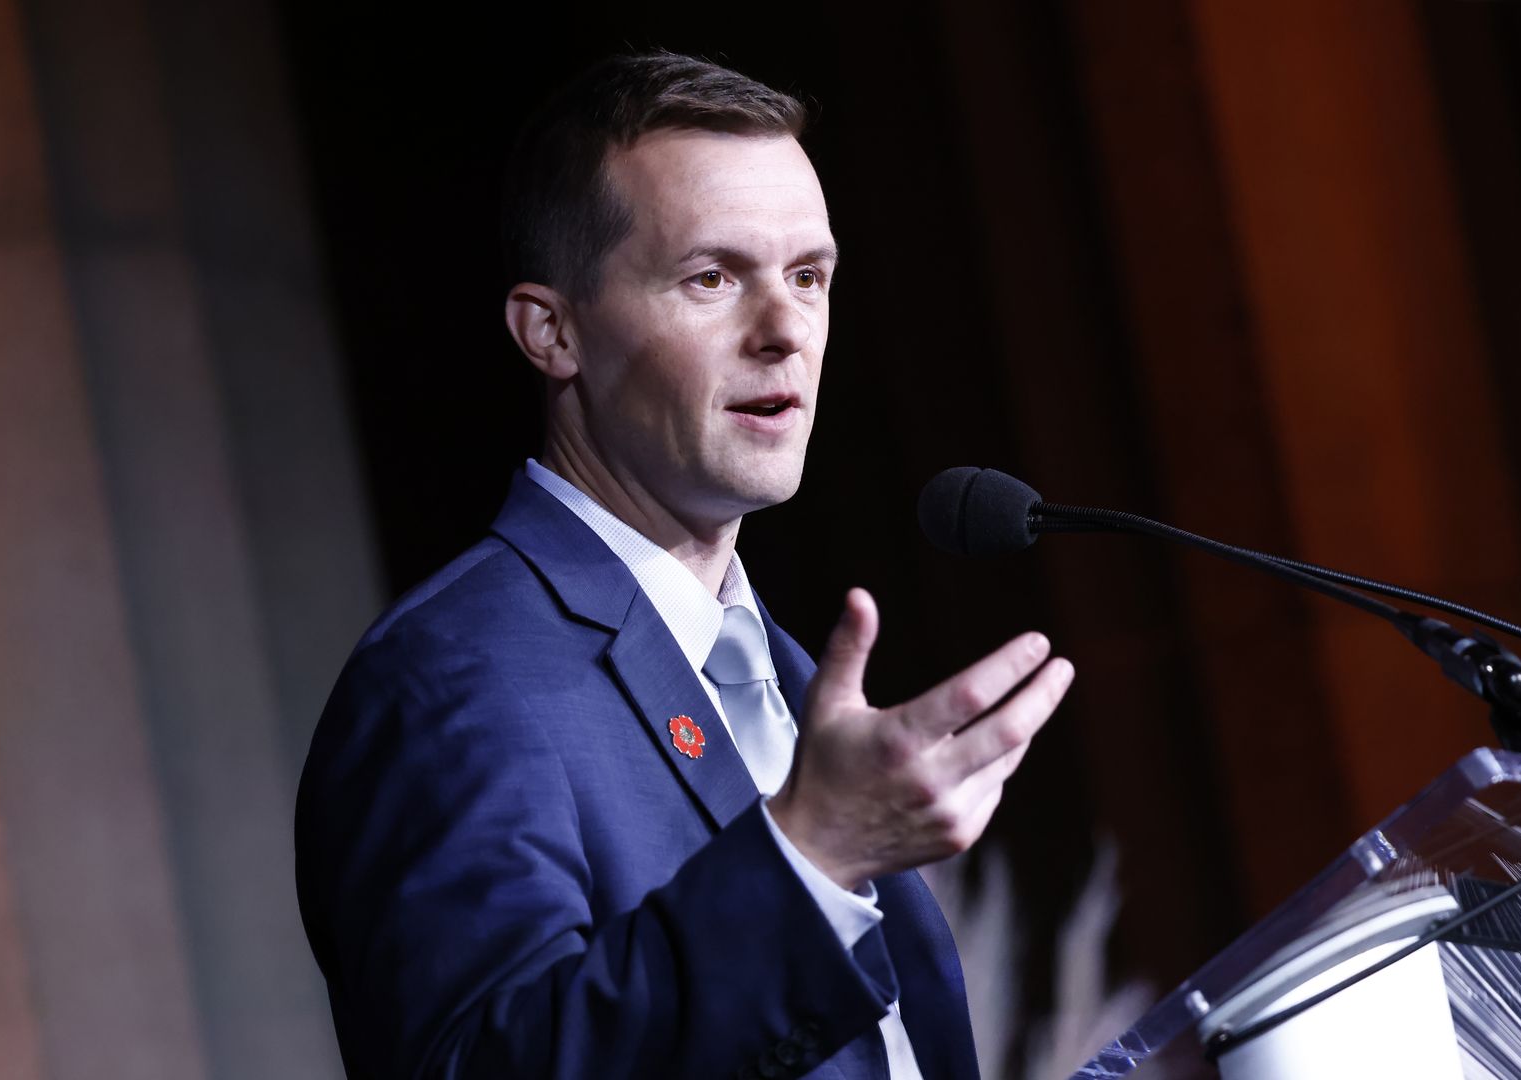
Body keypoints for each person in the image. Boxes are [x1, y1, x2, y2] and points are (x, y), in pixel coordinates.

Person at [295, 51, 1075, 1080]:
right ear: (552, 332)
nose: (784, 331)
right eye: (711, 279)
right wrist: (810, 860)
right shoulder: (451, 680)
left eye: (809, 277)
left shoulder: (784, 670)